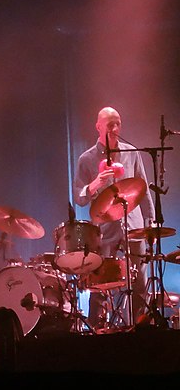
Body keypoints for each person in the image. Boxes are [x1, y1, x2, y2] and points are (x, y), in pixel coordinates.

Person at [72, 107, 155, 331]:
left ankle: (140, 330)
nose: (115, 128)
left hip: (133, 224)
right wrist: (96, 184)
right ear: (98, 126)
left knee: (139, 283)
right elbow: (78, 198)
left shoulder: (131, 152)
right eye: (110, 124)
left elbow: (143, 187)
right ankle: (97, 330)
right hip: (105, 228)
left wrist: (151, 221)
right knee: (100, 283)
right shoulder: (86, 158)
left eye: (118, 123)